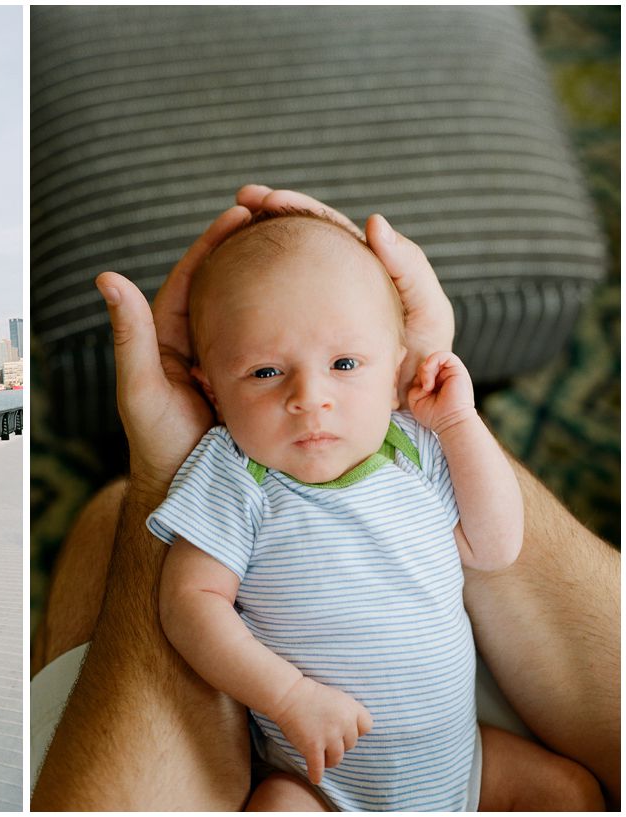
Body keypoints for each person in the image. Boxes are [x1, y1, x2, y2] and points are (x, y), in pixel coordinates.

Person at [30, 186, 619, 810]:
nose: (310, 397)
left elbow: (495, 547)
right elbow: (190, 605)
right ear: (210, 389)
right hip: (320, 780)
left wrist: (460, 424)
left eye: (344, 363)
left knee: (570, 792)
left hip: (460, 764)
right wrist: (287, 697)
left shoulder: (414, 447)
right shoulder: (233, 474)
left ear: (397, 365)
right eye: (264, 372)